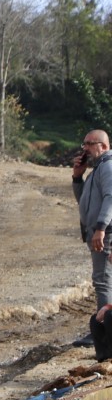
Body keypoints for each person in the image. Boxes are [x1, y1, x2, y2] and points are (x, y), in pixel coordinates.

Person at [72, 130, 112, 346]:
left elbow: (110, 197)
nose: (85, 147)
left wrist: (101, 228)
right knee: (103, 280)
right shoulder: (95, 170)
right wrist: (77, 176)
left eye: (90, 143)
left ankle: (105, 332)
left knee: (103, 281)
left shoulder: (107, 167)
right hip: (97, 231)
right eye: (84, 143)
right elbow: (84, 202)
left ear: (103, 146)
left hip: (105, 233)